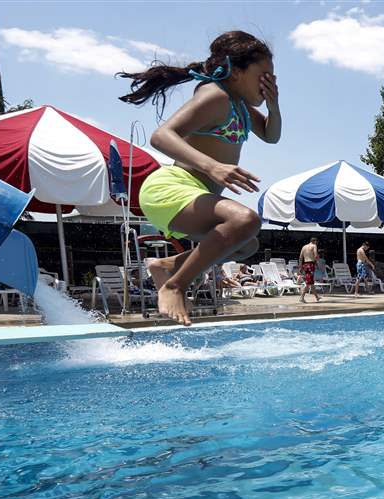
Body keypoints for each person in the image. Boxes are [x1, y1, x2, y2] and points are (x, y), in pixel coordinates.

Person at [119, 31, 280, 326]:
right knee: (245, 221)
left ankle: (165, 267)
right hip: (171, 187)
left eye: (273, 75)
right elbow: (161, 136)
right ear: (236, 71)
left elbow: (271, 135)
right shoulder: (215, 95)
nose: (268, 81)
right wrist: (213, 167)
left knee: (246, 244)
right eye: (263, 74)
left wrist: (273, 105)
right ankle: (174, 285)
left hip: (193, 193)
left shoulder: (242, 107)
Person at [297, 237, 322, 303]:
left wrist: (300, 267)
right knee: (308, 283)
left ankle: (317, 297)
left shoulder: (304, 247)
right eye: (317, 242)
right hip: (311, 265)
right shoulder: (314, 246)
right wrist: (318, 263)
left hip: (305, 265)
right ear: (315, 241)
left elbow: (300, 258)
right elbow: (316, 255)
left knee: (311, 282)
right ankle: (301, 297)